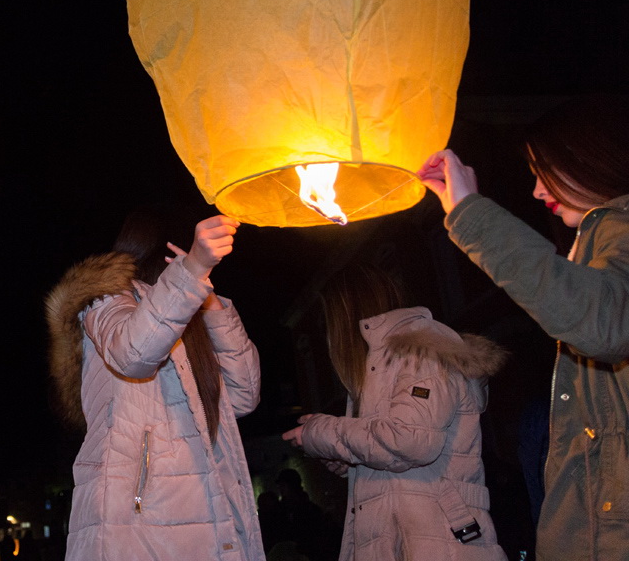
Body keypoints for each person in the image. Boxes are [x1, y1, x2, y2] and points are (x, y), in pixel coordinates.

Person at [417, 95, 629, 561]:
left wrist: (470, 212)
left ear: (588, 157)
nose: (536, 191)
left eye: (544, 170)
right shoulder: (599, 244)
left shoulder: (620, 228)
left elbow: (603, 321)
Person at [45, 211, 265, 560]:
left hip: (209, 514)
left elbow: (243, 397)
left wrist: (210, 303)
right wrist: (191, 272)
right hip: (135, 525)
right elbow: (134, 353)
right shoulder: (102, 299)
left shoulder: (190, 309)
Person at [282, 263, 507, 560]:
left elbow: (408, 441)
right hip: (413, 539)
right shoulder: (379, 368)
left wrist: (321, 432)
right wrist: (343, 457)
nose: (329, 336)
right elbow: (392, 457)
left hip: (439, 542)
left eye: (330, 320)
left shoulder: (420, 351)